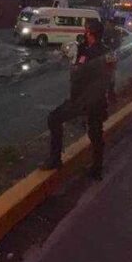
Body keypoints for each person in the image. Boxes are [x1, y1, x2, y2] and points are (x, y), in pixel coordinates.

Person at [42, 20, 113, 180]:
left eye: (86, 31)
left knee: (54, 118)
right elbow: (111, 74)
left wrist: (77, 58)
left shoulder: (87, 53)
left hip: (83, 100)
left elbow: (76, 75)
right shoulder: (106, 52)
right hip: (97, 100)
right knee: (95, 134)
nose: (84, 33)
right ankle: (97, 168)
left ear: (90, 33)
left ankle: (55, 159)